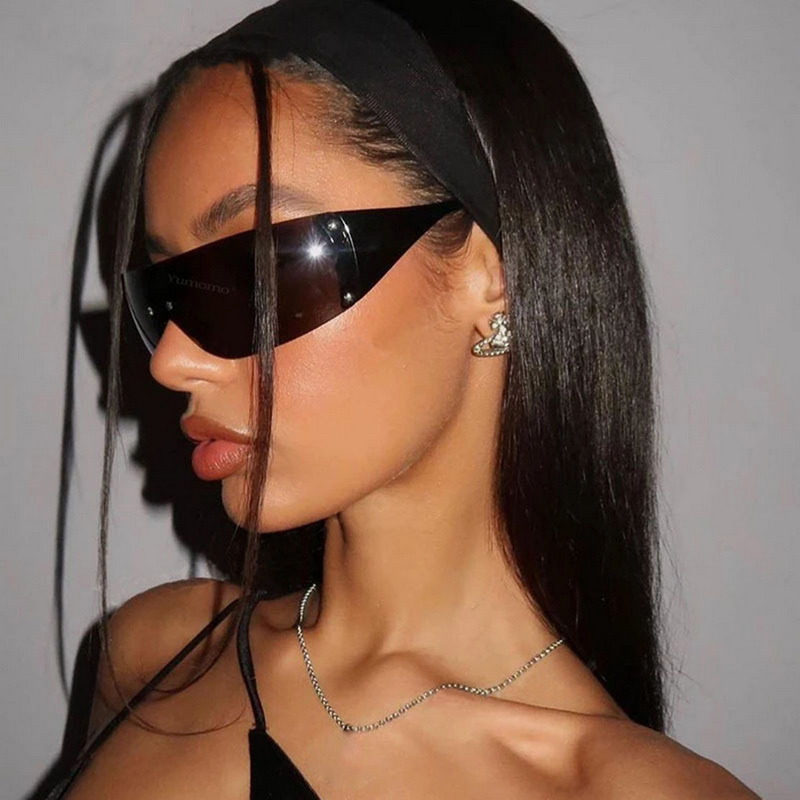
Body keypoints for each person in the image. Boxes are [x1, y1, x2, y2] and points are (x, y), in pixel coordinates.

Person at [48, 0, 759, 797]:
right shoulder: (154, 653)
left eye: (256, 270)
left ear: (490, 277)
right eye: (165, 294)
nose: (173, 361)